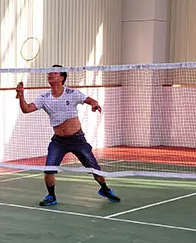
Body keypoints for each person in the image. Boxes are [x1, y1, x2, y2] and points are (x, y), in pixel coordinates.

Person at [15, 65, 120, 206]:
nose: (50, 74)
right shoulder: (44, 97)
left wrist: (94, 104)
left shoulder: (72, 93)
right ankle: (51, 196)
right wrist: (21, 95)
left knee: (94, 168)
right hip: (58, 141)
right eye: (49, 73)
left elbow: (90, 100)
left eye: (54, 73)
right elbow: (26, 109)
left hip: (77, 139)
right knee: (49, 169)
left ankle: (105, 189)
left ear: (62, 77)